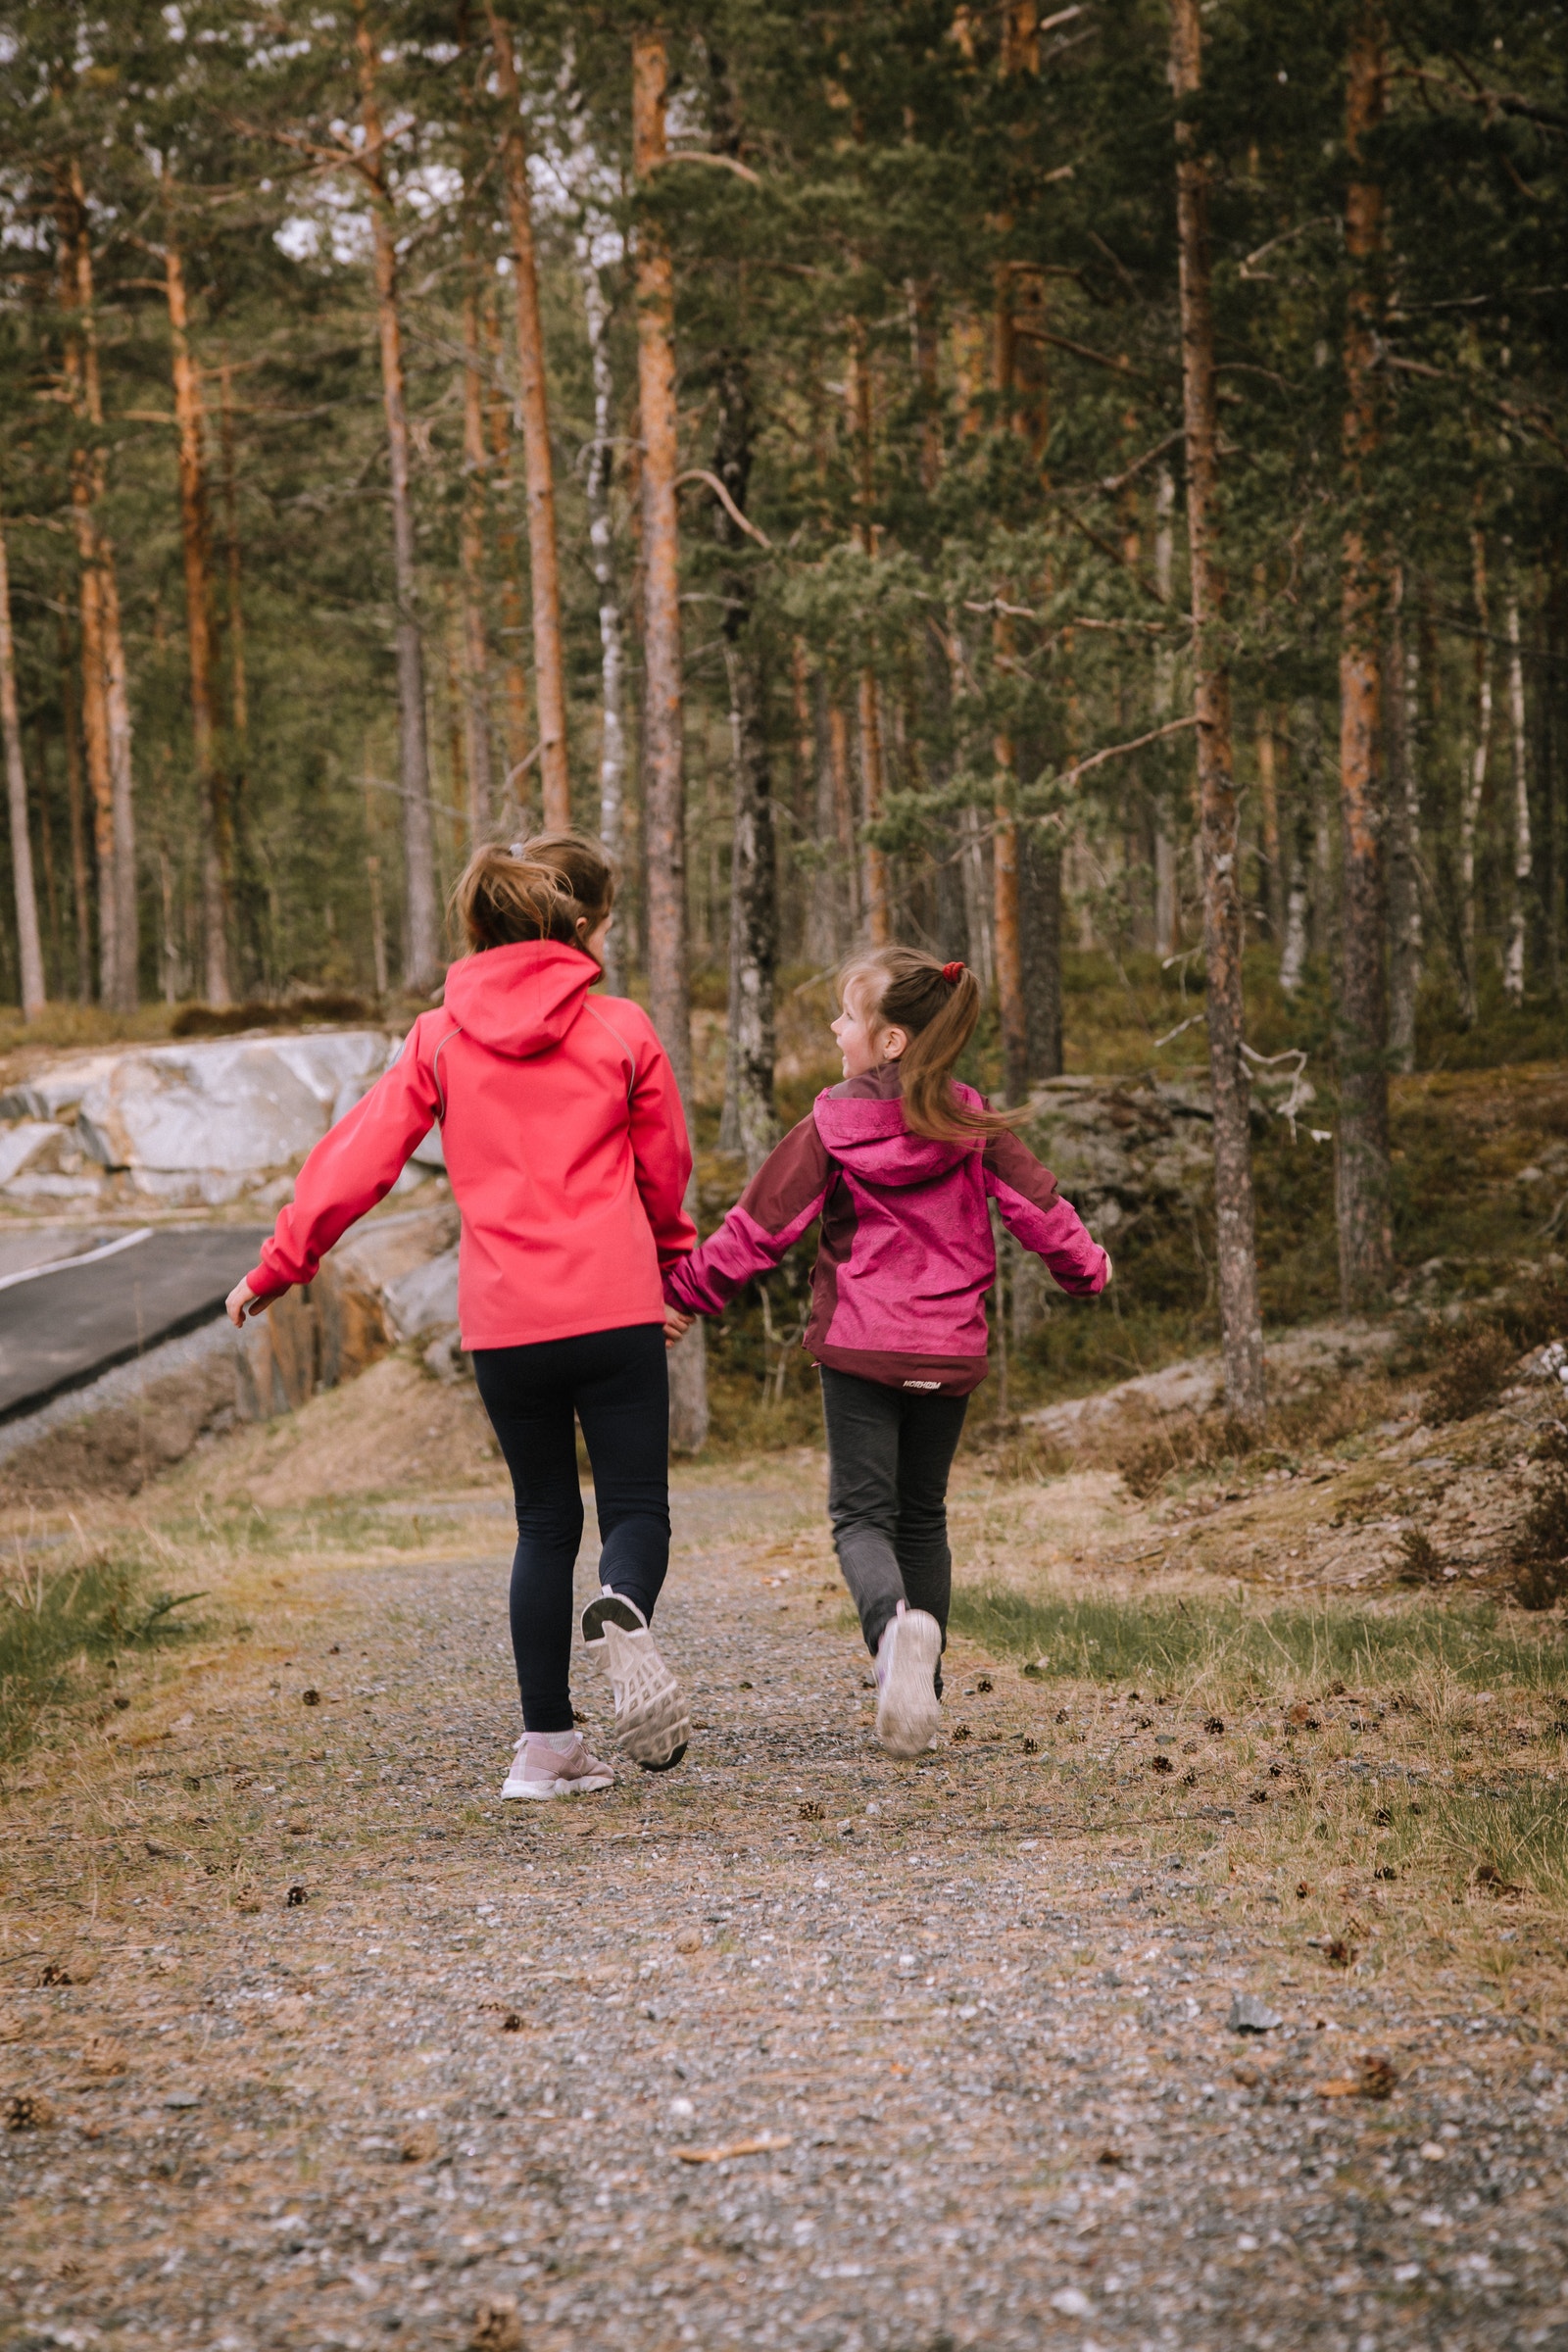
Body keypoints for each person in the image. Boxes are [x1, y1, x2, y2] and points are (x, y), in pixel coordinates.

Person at [224, 835, 696, 1800]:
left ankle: (546, 1747)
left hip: (505, 1325)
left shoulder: (437, 1036)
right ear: (572, 926)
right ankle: (621, 1604)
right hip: (610, 1308)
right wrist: (676, 1271)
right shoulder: (620, 1028)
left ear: (475, 928)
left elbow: (359, 1159)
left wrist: (283, 1264)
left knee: (540, 1521)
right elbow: (664, 1168)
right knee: (635, 1507)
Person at [662, 946, 1109, 1758]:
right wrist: (1089, 1271)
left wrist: (685, 1296)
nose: (836, 1027)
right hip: (948, 1353)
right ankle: (923, 1694)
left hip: (861, 1349)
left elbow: (758, 1228)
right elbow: (1043, 1211)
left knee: (862, 1516)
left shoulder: (831, 1123)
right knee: (923, 1516)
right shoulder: (974, 1126)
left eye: (846, 1015)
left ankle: (893, 1634)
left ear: (892, 1040)